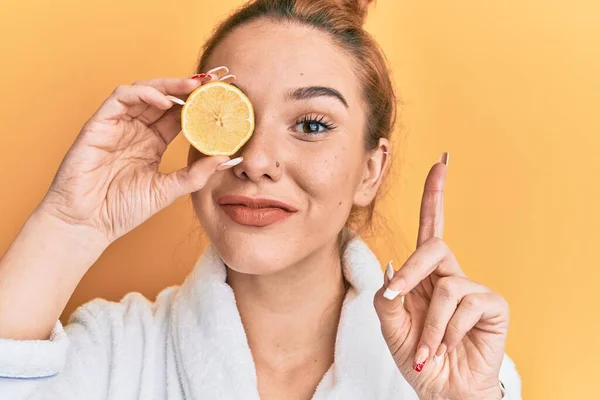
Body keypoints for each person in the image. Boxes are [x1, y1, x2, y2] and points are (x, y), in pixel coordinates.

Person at [0, 0, 522, 398]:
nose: (255, 160)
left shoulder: (460, 368)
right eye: (230, 116)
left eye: (312, 124)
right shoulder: (113, 350)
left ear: (370, 169)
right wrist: (71, 221)